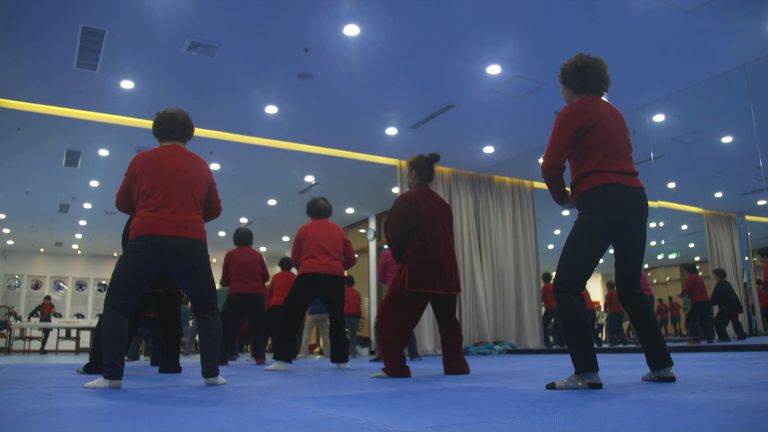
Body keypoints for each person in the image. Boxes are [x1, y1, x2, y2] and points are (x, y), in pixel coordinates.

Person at [541, 53, 674, 389]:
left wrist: (563, 198)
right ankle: (661, 367)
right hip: (634, 199)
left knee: (566, 285)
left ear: (567, 85)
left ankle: (586, 372)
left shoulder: (573, 112)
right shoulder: (614, 113)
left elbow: (551, 166)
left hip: (601, 198)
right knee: (630, 288)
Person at [85, 108, 225, 389]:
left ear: (156, 131)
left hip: (146, 237)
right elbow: (214, 209)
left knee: (117, 306)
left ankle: (112, 376)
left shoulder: (141, 161)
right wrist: (186, 215)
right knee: (207, 309)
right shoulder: (200, 165)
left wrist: (151, 208)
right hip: (191, 241)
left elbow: (123, 203)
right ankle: (212, 374)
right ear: (190, 133)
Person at [373, 153, 470, 378]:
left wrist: (400, 257)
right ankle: (457, 366)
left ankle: (395, 367)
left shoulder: (407, 199)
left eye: (408, 172)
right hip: (447, 271)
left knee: (388, 318)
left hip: (419, 268)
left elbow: (393, 232)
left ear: (413, 173)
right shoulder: (443, 205)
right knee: (448, 323)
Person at [266, 197, 356, 371]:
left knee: (291, 314)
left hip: (309, 274)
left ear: (309, 212)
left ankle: (282, 360)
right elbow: (351, 258)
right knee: (337, 317)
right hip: (335, 276)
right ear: (329, 211)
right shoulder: (339, 231)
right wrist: (336, 266)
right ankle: (342, 360)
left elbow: (295, 258)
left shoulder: (304, 230)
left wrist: (306, 268)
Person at [219, 227, 270, 365]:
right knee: (257, 326)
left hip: (237, 293)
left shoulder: (230, 255)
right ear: (251, 239)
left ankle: (224, 357)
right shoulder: (258, 255)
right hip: (257, 294)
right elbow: (266, 277)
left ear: (235, 239)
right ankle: (259, 357)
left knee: (226, 325)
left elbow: (224, 280)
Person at [371, 248, 421, 361]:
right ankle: (414, 354)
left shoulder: (387, 254)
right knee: (406, 324)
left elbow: (381, 276)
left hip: (392, 291)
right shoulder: (410, 253)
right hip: (408, 291)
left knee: (379, 323)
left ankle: (381, 353)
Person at [264, 257, 296, 354]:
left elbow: (269, 293)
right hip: (291, 306)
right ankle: (291, 351)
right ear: (291, 266)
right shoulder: (295, 277)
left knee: (275, 330)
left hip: (276, 305)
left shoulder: (276, 277)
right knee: (290, 330)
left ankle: (276, 350)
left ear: (280, 266)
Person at [710, 268, 747, 342]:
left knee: (717, 322)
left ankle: (724, 338)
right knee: (735, 321)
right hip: (735, 305)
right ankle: (741, 335)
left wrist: (711, 302)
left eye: (715, 276)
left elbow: (715, 298)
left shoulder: (720, 284)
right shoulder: (727, 283)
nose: (714, 277)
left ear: (717, 276)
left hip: (727, 307)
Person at [680, 264, 714, 345]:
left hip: (697, 302)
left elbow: (687, 289)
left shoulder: (691, 277)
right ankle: (710, 338)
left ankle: (696, 339)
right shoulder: (699, 277)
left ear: (688, 271)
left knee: (690, 321)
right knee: (704, 320)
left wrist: (681, 295)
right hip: (705, 301)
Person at [541, 272, 564, 348]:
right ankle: (562, 343)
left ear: (543, 279)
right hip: (557, 308)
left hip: (549, 308)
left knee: (544, 325)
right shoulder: (553, 286)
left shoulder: (545, 287)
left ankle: (548, 343)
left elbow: (541, 298)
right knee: (557, 325)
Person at [604, 282, 627, 346]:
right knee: (619, 327)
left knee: (609, 327)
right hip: (620, 311)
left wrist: (606, 310)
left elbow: (607, 303)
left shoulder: (609, 293)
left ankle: (613, 341)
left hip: (613, 312)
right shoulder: (617, 292)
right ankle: (624, 341)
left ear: (608, 286)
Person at [344, 276, 362, 358]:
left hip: (346, 315)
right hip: (356, 316)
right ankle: (353, 353)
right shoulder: (357, 293)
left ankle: (343, 352)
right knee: (353, 335)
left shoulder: (343, 291)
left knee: (342, 334)